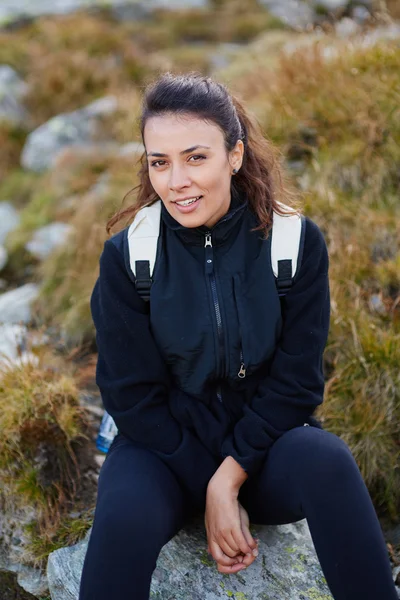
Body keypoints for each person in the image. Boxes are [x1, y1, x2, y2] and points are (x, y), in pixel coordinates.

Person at [78, 72, 398, 600]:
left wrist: (228, 480)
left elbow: (297, 384)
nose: (176, 180)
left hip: (264, 456)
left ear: (235, 155)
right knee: (123, 515)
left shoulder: (292, 242)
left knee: (329, 460)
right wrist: (204, 485)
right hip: (162, 456)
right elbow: (130, 395)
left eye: (196, 157)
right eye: (160, 162)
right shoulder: (128, 257)